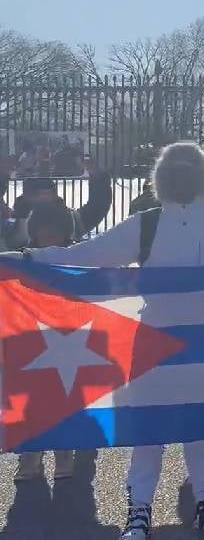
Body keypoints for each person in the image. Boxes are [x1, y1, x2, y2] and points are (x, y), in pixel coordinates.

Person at [17, 142, 204, 539]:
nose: (180, 177)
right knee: (150, 431)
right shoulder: (146, 224)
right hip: (154, 345)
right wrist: (30, 259)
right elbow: (87, 255)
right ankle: (139, 510)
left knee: (200, 429)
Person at [13, 200, 79, 483]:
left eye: (55, 229)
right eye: (43, 228)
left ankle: (64, 450)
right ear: (34, 231)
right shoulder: (21, 259)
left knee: (67, 396)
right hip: (31, 337)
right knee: (30, 397)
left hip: (70, 337)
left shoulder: (78, 259)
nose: (49, 234)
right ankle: (31, 451)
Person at [4, 169, 113, 250]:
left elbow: (97, 206)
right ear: (26, 195)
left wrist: (98, 176)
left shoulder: (73, 220)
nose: (50, 234)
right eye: (36, 194)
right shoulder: (10, 226)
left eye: (47, 193)